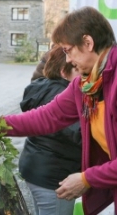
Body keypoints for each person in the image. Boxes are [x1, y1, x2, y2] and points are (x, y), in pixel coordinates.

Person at [0, 6, 117, 215]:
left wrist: (88, 178)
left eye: (68, 50)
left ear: (88, 43)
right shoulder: (85, 85)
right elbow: (46, 116)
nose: (68, 60)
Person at [19, 45, 81, 215]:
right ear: (63, 71)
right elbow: (77, 132)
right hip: (54, 178)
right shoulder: (62, 96)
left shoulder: (42, 87)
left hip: (35, 170)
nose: (84, 73)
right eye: (77, 68)